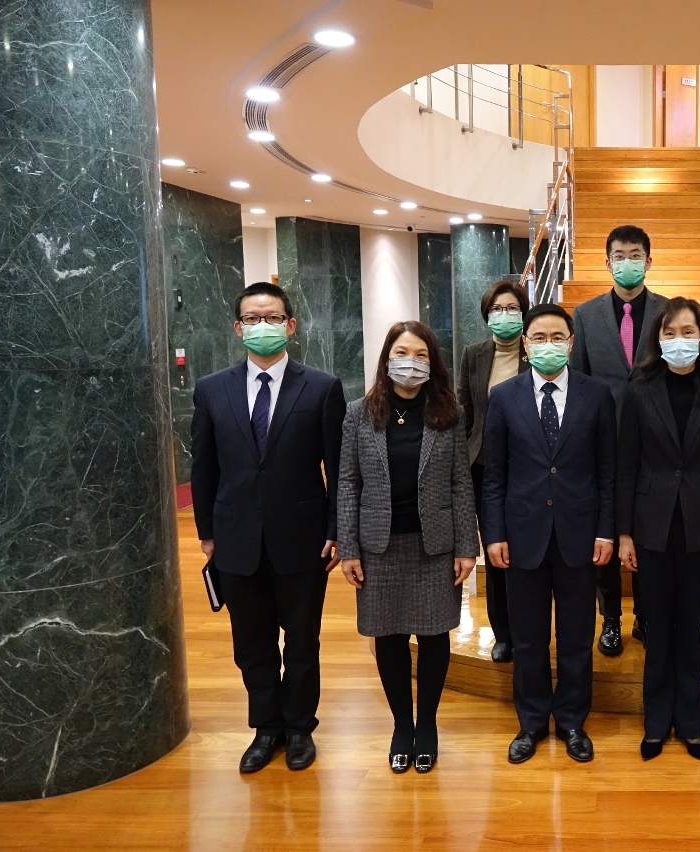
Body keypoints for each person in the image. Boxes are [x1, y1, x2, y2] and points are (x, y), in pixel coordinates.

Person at [190, 282, 346, 773]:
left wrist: (337, 528)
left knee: (301, 641)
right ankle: (266, 728)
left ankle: (299, 727)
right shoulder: (211, 389)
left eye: (273, 318)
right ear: (238, 329)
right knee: (251, 643)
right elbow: (203, 467)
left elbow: (339, 467)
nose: (263, 326)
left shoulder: (321, 387)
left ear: (290, 325)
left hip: (303, 538)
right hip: (235, 538)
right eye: (252, 319)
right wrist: (206, 533)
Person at [337, 321, 479, 774]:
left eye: (421, 355)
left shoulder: (448, 413)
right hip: (378, 546)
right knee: (389, 637)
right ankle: (402, 725)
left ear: (433, 363)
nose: (410, 363)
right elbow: (347, 482)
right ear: (386, 359)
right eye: (402, 353)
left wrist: (467, 546)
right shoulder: (359, 414)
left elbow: (460, 484)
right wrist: (348, 548)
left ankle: (428, 725)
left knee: (435, 636)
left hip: (433, 545)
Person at [481, 303, 617, 765]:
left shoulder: (597, 395)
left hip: (581, 533)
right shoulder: (503, 396)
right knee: (527, 638)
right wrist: (494, 534)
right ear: (525, 343)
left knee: (577, 637)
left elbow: (607, 472)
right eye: (539, 337)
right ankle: (533, 721)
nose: (548, 345)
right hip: (522, 535)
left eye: (557, 337)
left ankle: (573, 721)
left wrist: (606, 531)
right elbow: (494, 475)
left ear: (571, 343)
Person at [617, 298, 700, 762]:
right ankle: (655, 723)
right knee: (657, 629)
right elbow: (626, 465)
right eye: (669, 333)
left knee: (690, 629)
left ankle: (690, 723)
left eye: (688, 332)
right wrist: (624, 533)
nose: (678, 341)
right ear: (657, 339)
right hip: (651, 527)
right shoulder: (639, 389)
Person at [571, 224, 667, 657]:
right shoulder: (585, 314)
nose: (627, 262)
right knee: (605, 531)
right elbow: (579, 380)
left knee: (648, 531)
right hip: (602, 439)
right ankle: (610, 618)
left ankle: (646, 616)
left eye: (635, 255)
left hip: (655, 440)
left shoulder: (668, 311)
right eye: (619, 255)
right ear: (607, 262)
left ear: (648, 261)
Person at [458, 278, 531, 664]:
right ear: (487, 315)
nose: (505, 315)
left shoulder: (537, 349)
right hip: (485, 467)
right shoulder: (474, 354)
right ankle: (503, 634)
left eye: (512, 308)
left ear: (524, 313)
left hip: (530, 467)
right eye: (497, 309)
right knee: (496, 549)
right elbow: (465, 409)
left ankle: (529, 629)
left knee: (526, 551)